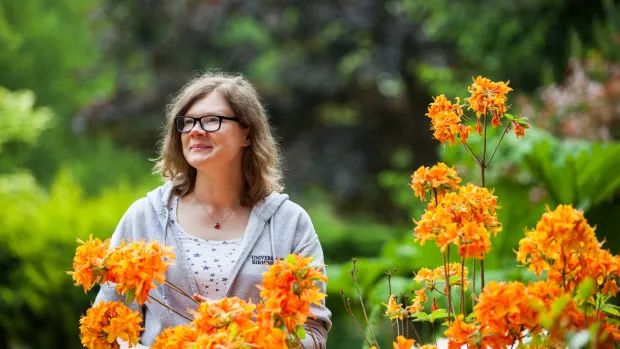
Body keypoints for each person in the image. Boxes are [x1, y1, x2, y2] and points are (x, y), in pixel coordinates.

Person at [94, 71, 331, 348]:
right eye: (188, 122)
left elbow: (313, 332)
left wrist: (243, 339)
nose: (195, 130)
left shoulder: (289, 224)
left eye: (211, 120)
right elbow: (106, 325)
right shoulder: (144, 217)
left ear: (247, 133)